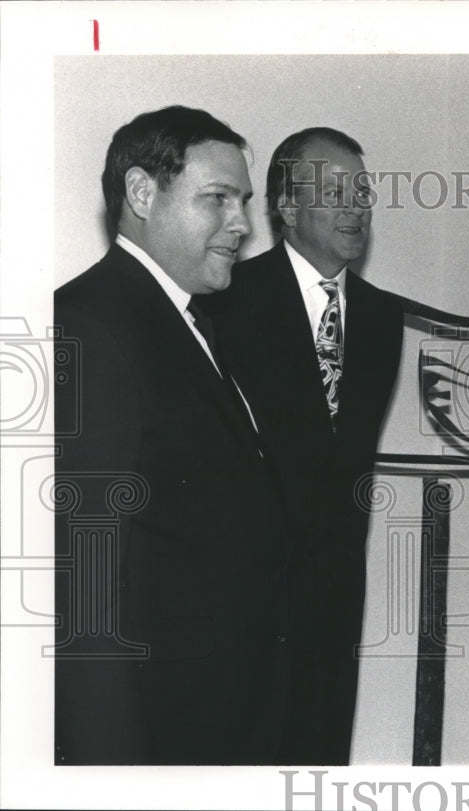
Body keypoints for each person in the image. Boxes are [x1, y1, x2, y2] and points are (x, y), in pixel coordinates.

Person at [53, 106, 289, 764]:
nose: (243, 224)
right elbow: (83, 591)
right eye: (217, 199)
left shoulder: (194, 321)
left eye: (243, 201)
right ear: (139, 194)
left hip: (224, 726)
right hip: (156, 742)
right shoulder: (89, 326)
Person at [207, 127, 404, 765]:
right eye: (335, 191)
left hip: (336, 599)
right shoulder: (224, 301)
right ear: (287, 208)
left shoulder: (380, 316)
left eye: (363, 191)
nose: (356, 207)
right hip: (237, 603)